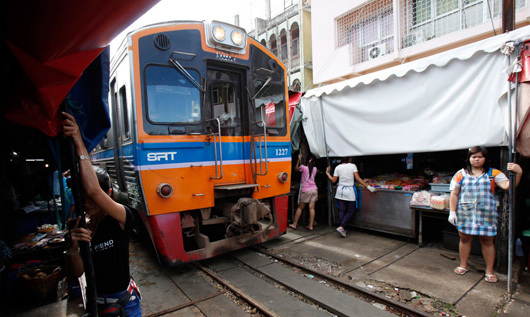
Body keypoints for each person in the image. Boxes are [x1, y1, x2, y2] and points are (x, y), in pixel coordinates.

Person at [62, 112, 142, 316]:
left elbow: (93, 192)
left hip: (124, 304)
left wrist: (79, 143)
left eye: (92, 199)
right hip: (95, 304)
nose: (88, 203)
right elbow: (78, 272)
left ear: (108, 194)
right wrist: (73, 247)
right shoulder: (82, 224)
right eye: (83, 199)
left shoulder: (121, 217)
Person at [448, 146, 522, 283]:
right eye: (473, 157)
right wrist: (452, 212)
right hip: (465, 213)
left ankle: (489, 271)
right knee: (464, 239)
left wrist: (518, 173)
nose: (476, 159)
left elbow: (508, 186)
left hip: (486, 213)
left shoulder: (493, 173)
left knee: (487, 241)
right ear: (469, 159)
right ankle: (463, 265)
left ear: (485, 158)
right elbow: (454, 194)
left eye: (480, 157)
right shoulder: (461, 174)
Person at [325, 157, 376, 237]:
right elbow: (358, 178)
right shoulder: (353, 166)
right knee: (351, 211)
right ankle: (342, 227)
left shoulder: (338, 167)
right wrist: (368, 187)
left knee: (341, 210)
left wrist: (327, 173)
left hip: (340, 190)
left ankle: (342, 229)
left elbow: (334, 181)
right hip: (349, 191)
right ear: (349, 159)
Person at [289, 153, 318, 231]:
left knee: (300, 207)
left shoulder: (303, 168)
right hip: (314, 190)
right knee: (311, 208)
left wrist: (298, 159)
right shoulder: (315, 169)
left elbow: (296, 169)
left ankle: (294, 224)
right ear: (314, 162)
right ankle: (311, 226)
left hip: (306, 190)